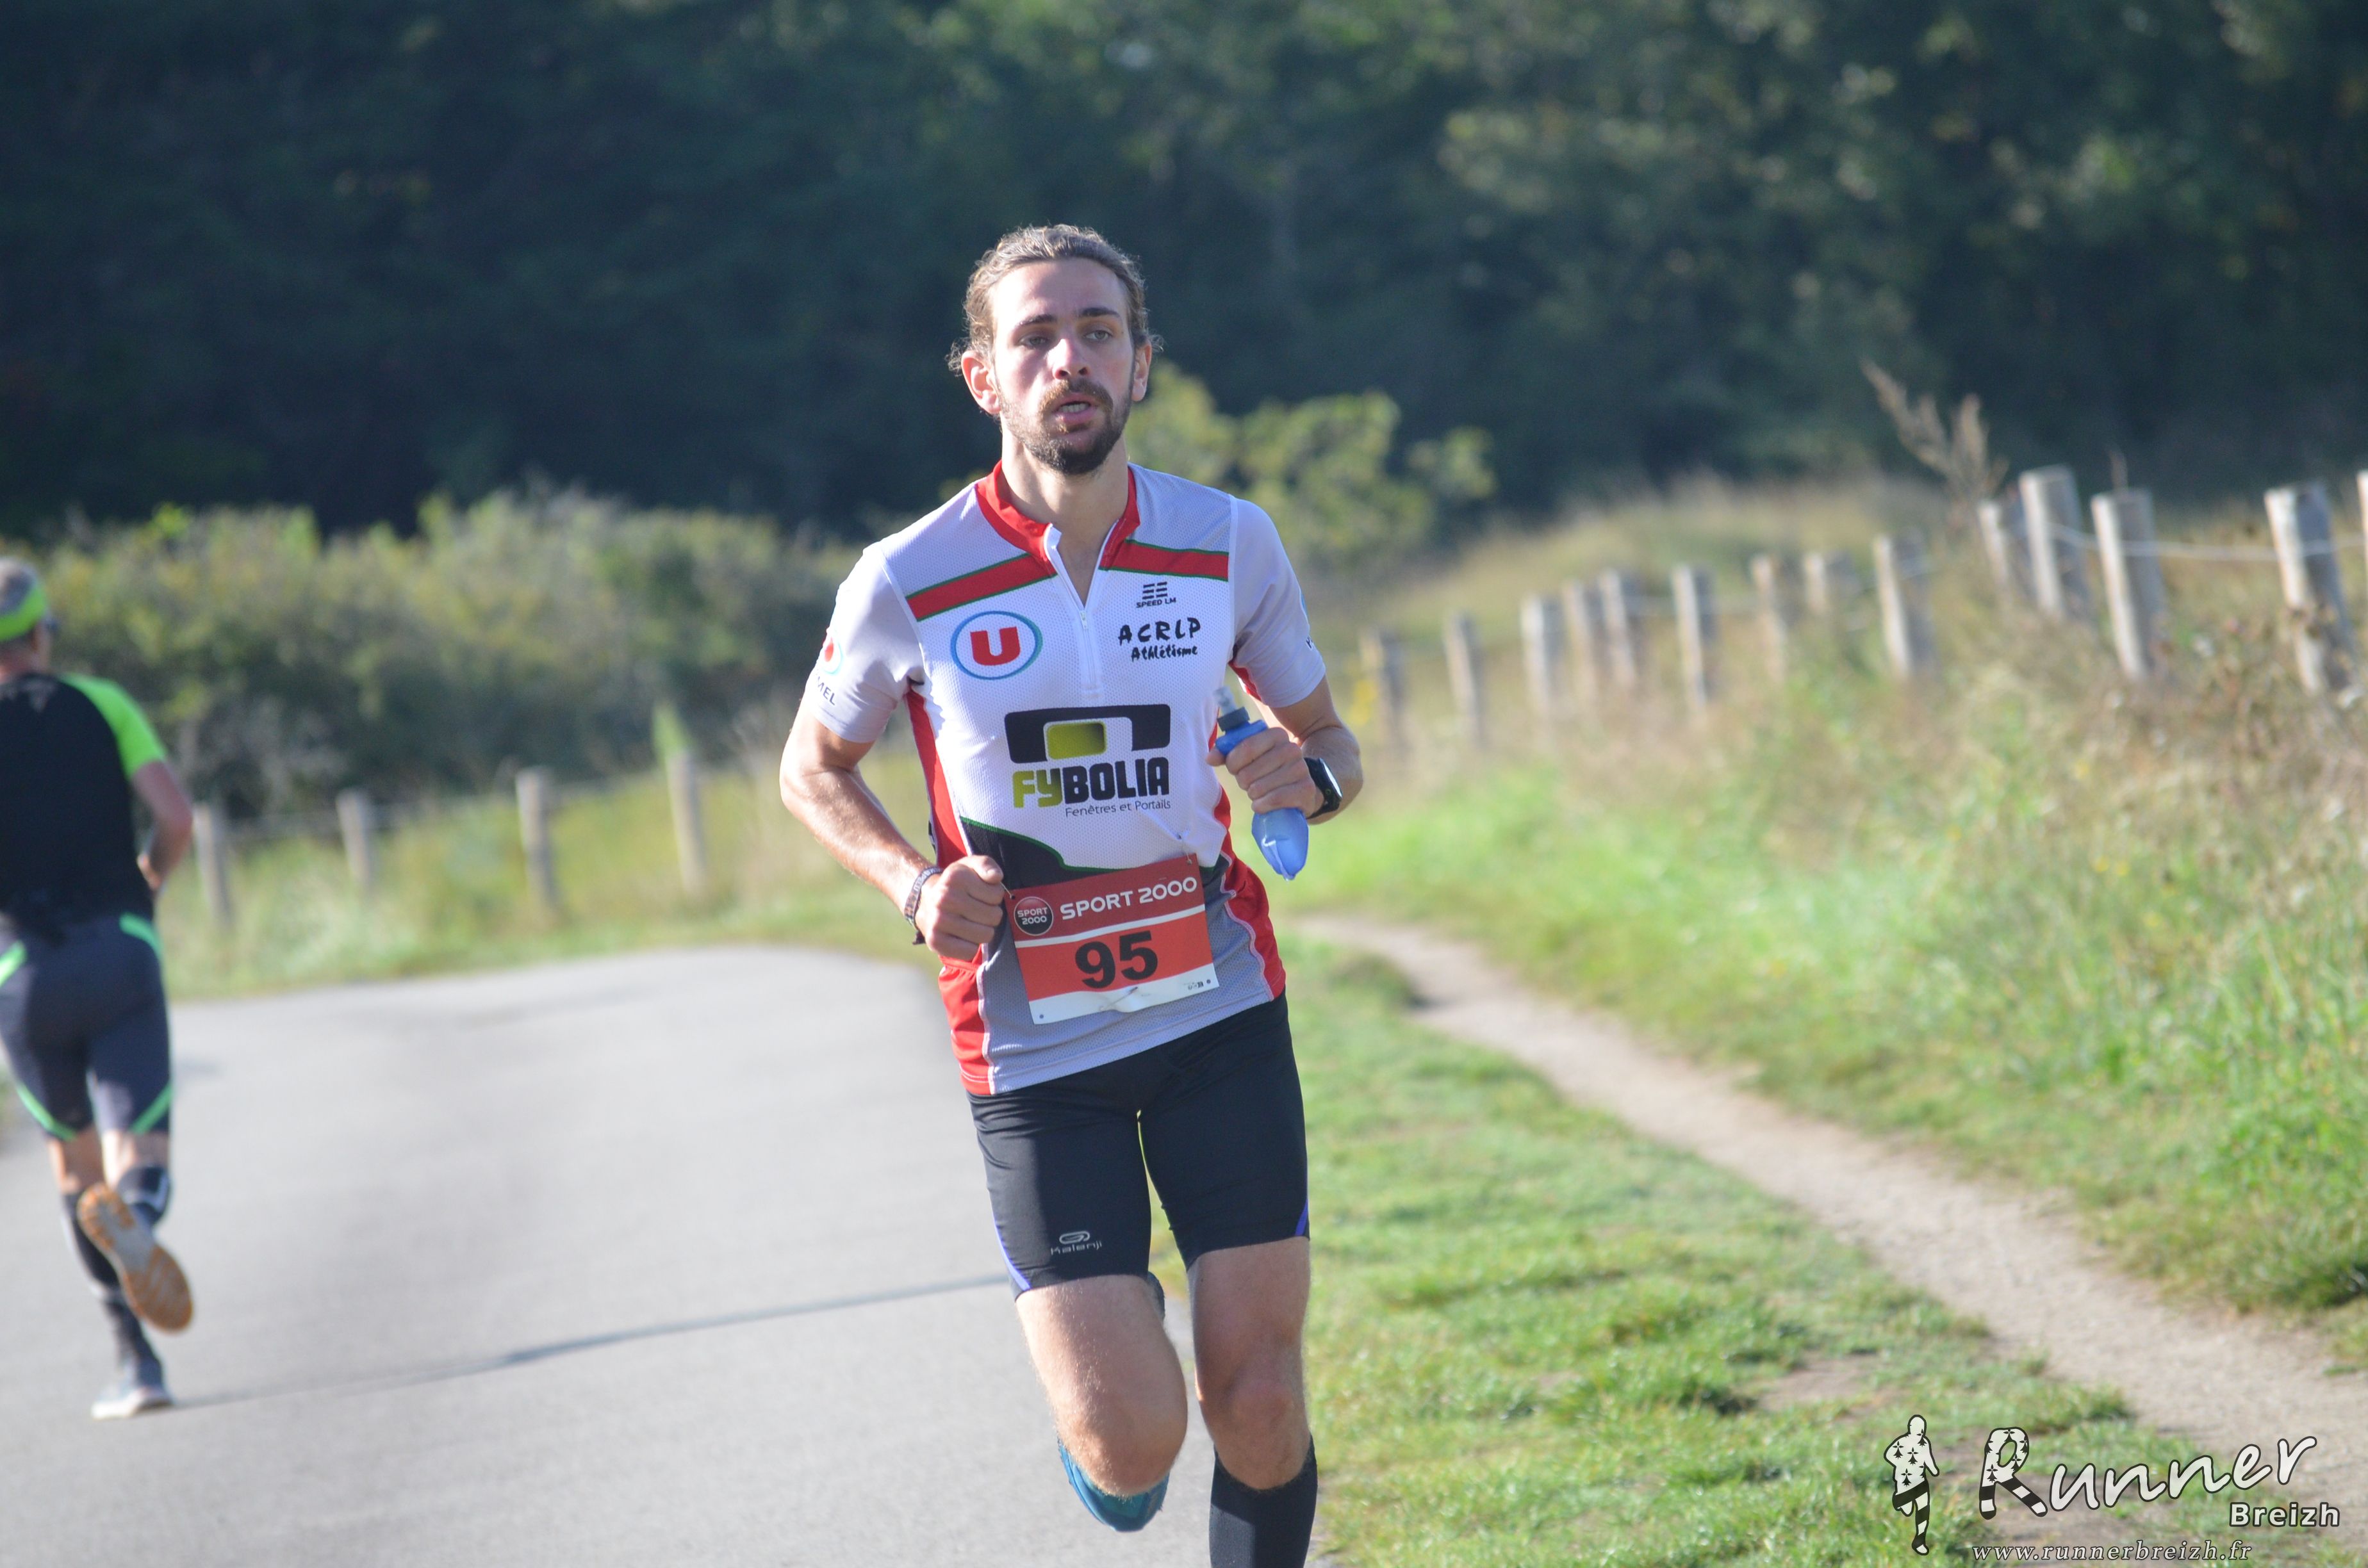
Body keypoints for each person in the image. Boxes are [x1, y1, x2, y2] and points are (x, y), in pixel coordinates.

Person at [780, 224, 1360, 1566]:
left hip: (1219, 1009)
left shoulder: (1229, 541)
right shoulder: (908, 575)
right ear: (982, 376)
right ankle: (1109, 1413)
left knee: (1261, 1401)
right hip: (1035, 1046)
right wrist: (914, 885)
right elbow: (811, 769)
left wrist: (1309, 779)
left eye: (1098, 332)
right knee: (1128, 1438)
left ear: (1142, 363)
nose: (1069, 360)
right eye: (1034, 337)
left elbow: (1330, 747)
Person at [0, 560, 197, 1418]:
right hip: (119, 953)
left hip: (24, 974)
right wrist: (147, 882)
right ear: (43, 634)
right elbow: (177, 818)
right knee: (138, 1150)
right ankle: (140, 1220)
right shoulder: (104, 703)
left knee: (76, 1170)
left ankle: (136, 1363)